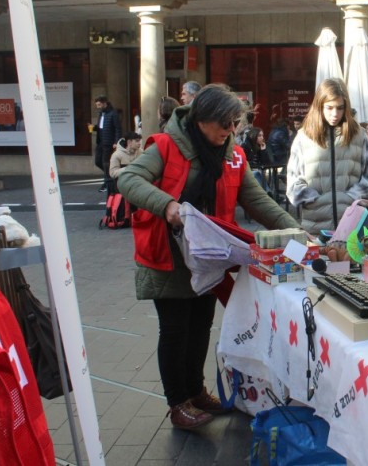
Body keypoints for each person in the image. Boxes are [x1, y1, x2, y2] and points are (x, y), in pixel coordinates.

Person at [118, 85, 299, 430]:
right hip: (169, 255)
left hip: (210, 256)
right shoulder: (167, 145)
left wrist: (295, 232)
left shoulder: (232, 153)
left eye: (234, 124)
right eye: (225, 124)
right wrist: (166, 204)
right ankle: (178, 403)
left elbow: (257, 200)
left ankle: (196, 391)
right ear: (202, 120)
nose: (231, 131)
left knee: (201, 324)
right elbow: (128, 178)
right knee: (174, 329)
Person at [286, 78, 368, 234]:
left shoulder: (358, 135)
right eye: (329, 108)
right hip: (315, 227)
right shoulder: (303, 137)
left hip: (353, 226)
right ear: (319, 106)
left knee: (353, 259)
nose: (335, 114)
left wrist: (353, 198)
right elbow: (293, 181)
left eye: (340, 108)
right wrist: (314, 200)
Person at [89, 95, 122, 192]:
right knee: (98, 161)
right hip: (100, 141)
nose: (98, 106)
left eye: (99, 104)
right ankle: (111, 176)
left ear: (104, 103)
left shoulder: (113, 113)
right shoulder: (101, 114)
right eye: (97, 105)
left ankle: (107, 183)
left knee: (105, 163)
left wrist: (116, 142)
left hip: (109, 142)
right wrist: (94, 127)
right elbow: (101, 127)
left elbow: (118, 128)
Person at [242, 126, 271, 192]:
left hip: (258, 170)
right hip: (247, 172)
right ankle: (268, 193)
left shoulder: (259, 146)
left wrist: (263, 150)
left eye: (262, 135)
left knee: (263, 174)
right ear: (254, 136)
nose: (262, 138)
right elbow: (243, 162)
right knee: (257, 174)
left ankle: (267, 193)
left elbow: (267, 163)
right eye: (259, 136)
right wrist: (253, 164)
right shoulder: (245, 146)